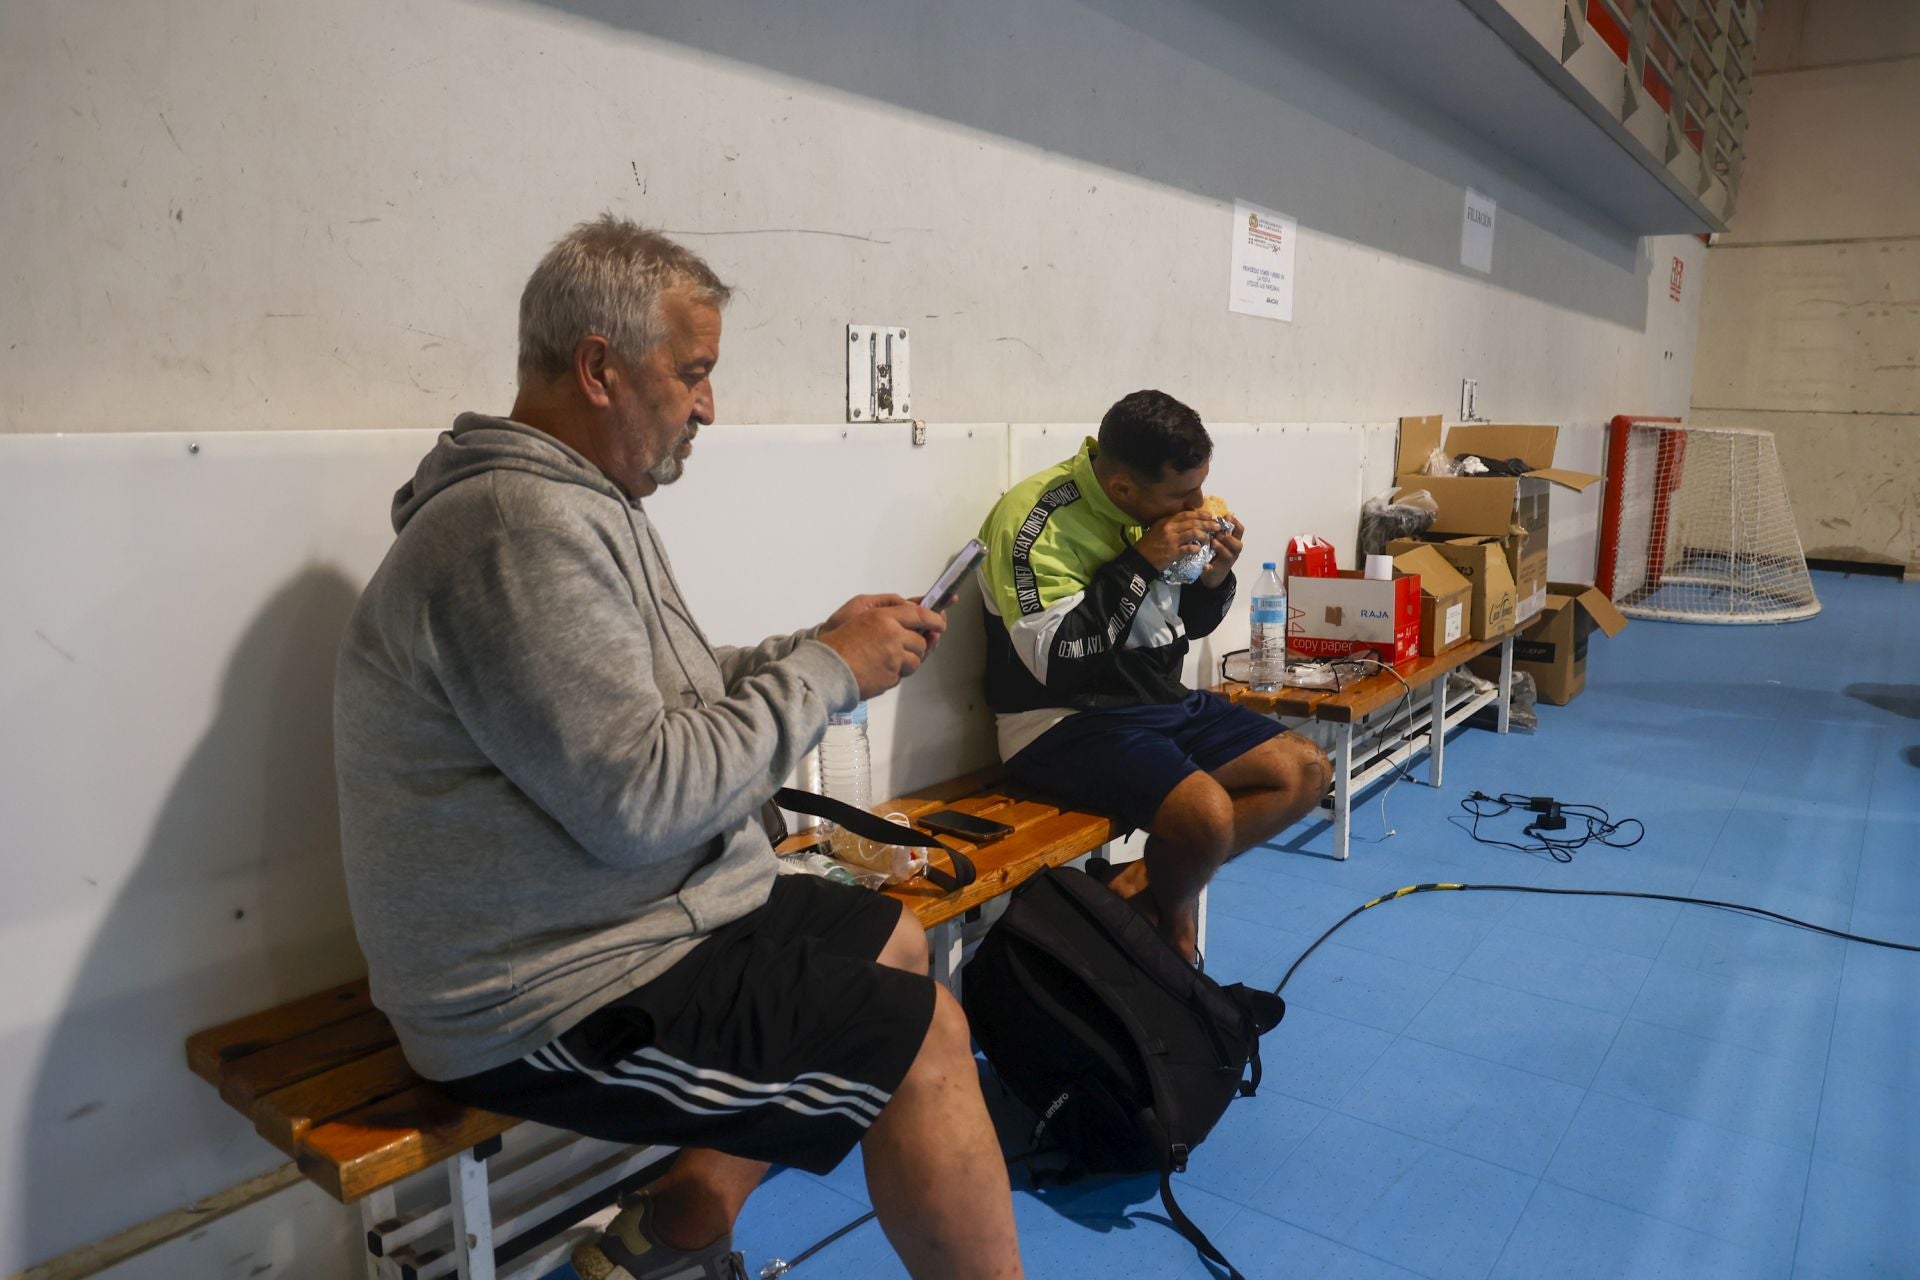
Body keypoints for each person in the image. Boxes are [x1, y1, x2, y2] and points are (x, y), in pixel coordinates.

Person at [334, 216, 1022, 1280]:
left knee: (889, 940)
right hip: (539, 990)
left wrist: (822, 645)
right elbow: (641, 798)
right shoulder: (515, 527)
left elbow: (662, 698)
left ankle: (689, 1209)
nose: (709, 404)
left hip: (628, 918)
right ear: (600, 367)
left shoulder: (575, 502)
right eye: (694, 372)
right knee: (923, 1038)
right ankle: (697, 1212)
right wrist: (830, 670)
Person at [977, 390, 1332, 963]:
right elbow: (1059, 665)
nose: (1196, 503)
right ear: (1123, 490)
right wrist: (1142, 561)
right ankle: (1172, 928)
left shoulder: (1156, 512)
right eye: (1181, 493)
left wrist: (1214, 579)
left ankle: (1133, 894)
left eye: (1200, 486)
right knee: (1208, 816)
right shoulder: (1035, 519)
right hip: (1062, 721)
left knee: (1306, 772)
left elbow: (1182, 625)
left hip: (1157, 701)